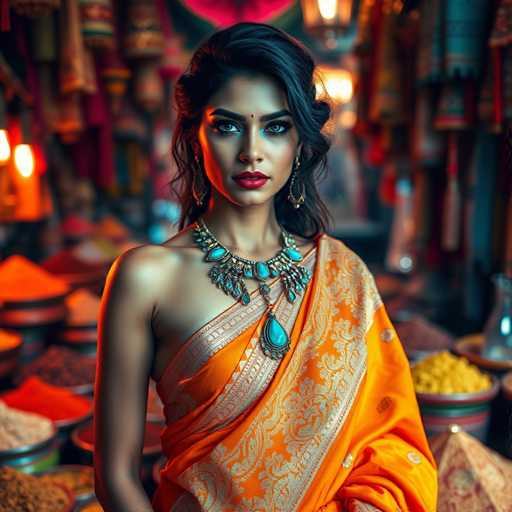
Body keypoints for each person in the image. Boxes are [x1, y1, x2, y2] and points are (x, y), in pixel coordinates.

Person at [93, 22, 437, 512]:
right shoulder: (145, 276)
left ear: (300, 142)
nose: (252, 150)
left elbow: (388, 449)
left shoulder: (342, 275)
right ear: (195, 137)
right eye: (228, 125)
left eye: (276, 127)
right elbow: (114, 478)